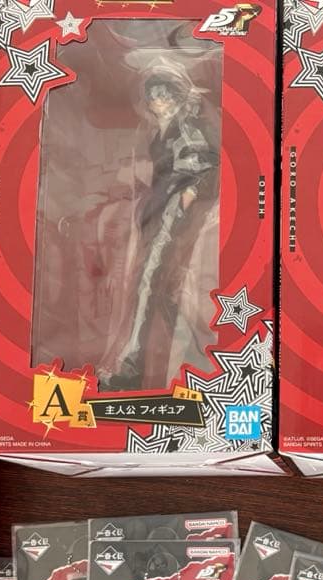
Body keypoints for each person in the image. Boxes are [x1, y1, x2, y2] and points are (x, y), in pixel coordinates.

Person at [103, 63, 219, 390]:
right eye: (153, 97)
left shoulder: (185, 125)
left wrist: (186, 198)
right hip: (160, 210)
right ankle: (162, 362)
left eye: (164, 96)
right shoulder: (163, 129)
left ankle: (132, 365)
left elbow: (204, 163)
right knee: (158, 285)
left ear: (175, 97)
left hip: (171, 211)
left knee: (148, 281)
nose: (158, 102)